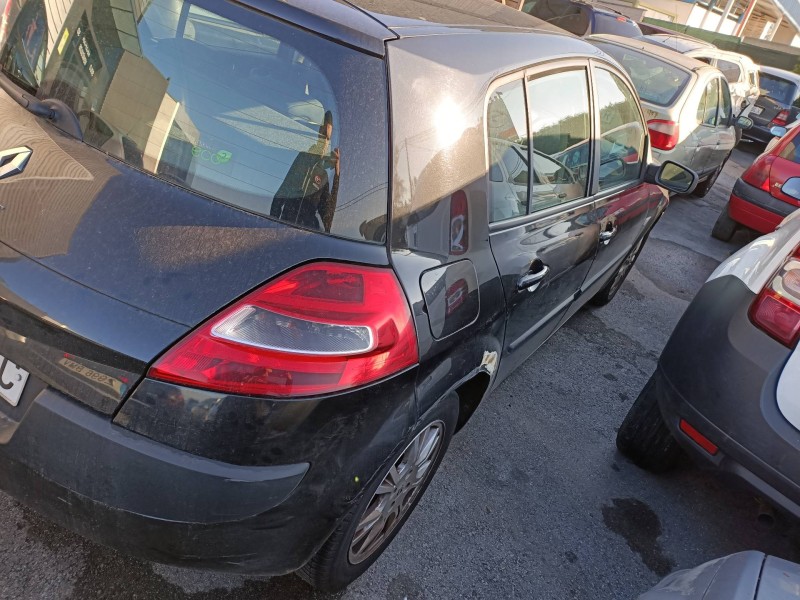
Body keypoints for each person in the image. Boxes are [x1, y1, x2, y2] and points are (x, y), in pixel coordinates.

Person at [270, 110, 340, 232]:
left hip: (306, 238)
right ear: (318, 133)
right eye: (322, 134)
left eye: (328, 138)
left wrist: (337, 175)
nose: (324, 141)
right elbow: (281, 193)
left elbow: (328, 222)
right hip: (283, 230)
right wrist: (272, 226)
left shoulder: (323, 177)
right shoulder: (302, 158)